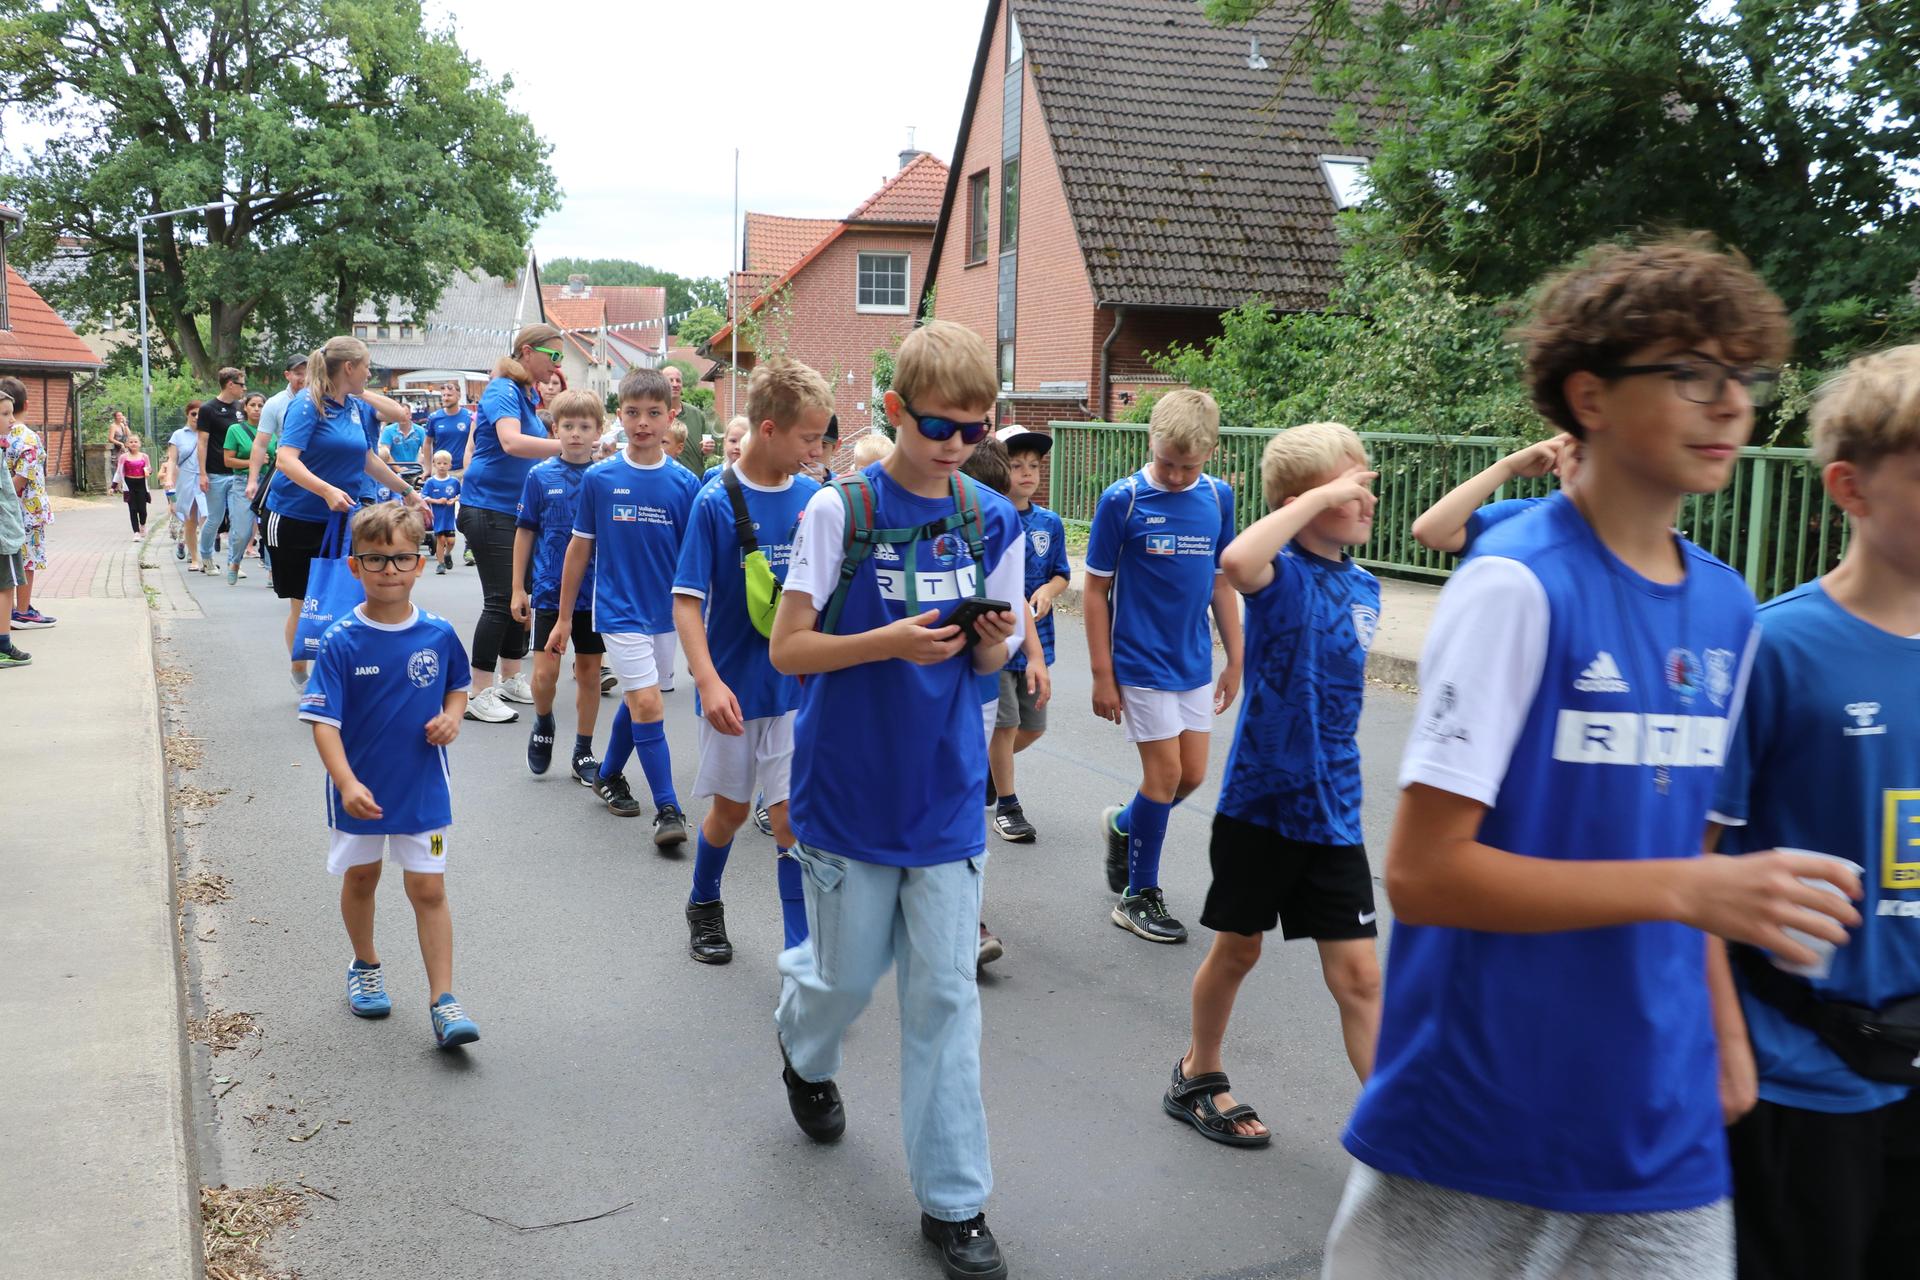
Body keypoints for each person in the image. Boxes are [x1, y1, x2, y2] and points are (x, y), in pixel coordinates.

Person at [1323, 237, 1864, 1278]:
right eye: (1693, 375)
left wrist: (1727, 1034)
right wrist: (1692, 884)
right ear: (1591, 396)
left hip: (1660, 1127)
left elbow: (1694, 866)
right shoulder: (1515, 583)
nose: (1732, 405)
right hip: (1480, 1116)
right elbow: (1425, 872)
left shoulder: (1727, 603)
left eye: (1745, 378)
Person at [769, 319, 1023, 1280]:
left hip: (948, 795)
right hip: (848, 791)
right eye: (937, 426)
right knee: (843, 980)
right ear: (892, 411)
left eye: (974, 428)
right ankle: (803, 1045)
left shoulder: (988, 516)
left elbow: (996, 658)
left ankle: (955, 1204)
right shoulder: (841, 512)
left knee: (947, 999)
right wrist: (892, 641)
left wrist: (992, 639)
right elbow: (793, 650)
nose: (956, 444)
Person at [1706, 343, 1920, 1280]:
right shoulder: (1777, 648)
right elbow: (1692, 873)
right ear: (1851, 488)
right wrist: (1723, 1048)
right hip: (1805, 1073)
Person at [1165, 421, 1384, 1150]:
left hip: (1336, 809)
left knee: (1359, 978)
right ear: (1306, 499)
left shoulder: (1365, 585)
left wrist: (1335, 490)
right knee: (1239, 949)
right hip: (1261, 803)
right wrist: (1316, 495)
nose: (1367, 498)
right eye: (1353, 488)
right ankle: (1199, 1071)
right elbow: (1235, 557)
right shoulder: (1278, 572)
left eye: (1366, 485)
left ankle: (1398, 1133)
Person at [298, 502, 479, 1049]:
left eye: (401, 558)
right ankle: (365, 964)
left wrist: (452, 716)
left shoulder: (440, 633)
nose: (390, 571)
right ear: (355, 567)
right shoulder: (340, 640)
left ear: (420, 562)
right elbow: (323, 723)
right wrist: (347, 783)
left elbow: (458, 685)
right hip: (360, 790)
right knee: (362, 879)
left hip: (423, 788)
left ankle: (444, 1000)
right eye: (375, 561)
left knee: (427, 888)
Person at [671, 359, 831, 964]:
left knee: (791, 822)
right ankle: (704, 899)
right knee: (732, 812)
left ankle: (801, 952)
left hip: (797, 692)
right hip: (734, 690)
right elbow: (687, 601)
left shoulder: (816, 499)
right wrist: (707, 681)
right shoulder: (716, 501)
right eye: (808, 438)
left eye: (821, 439)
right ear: (769, 430)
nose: (817, 451)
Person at [1085, 388, 1244, 943]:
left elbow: (1222, 582)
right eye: (1167, 463)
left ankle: (1125, 824)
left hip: (1194, 662)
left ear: (1211, 454)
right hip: (1139, 661)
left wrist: (1235, 659)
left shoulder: (1217, 497)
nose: (1176, 476)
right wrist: (1103, 674)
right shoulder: (1122, 500)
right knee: (1165, 776)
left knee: (1192, 775)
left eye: (1188, 466)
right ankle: (1138, 896)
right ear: (1150, 442)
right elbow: (1094, 589)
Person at [552, 367, 699, 847]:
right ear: (620, 416)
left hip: (667, 613)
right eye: (633, 413)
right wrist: (563, 616)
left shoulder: (685, 484)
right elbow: (579, 549)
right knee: (649, 701)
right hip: (616, 609)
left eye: (654, 413)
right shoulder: (599, 478)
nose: (642, 423)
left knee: (641, 698)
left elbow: (696, 560)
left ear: (669, 416)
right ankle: (669, 810)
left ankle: (609, 773)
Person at [264, 336, 427, 688]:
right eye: (367, 366)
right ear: (350, 368)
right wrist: (324, 489)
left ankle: (337, 670)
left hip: (339, 519)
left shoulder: (352, 406)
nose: (370, 372)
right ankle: (300, 671)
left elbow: (366, 459)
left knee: (344, 595)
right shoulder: (308, 404)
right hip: (294, 516)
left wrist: (409, 492)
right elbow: (285, 459)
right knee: (305, 601)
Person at [958, 432, 1050, 970]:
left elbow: (1013, 602)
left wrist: (1030, 654)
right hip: (908, 695)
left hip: (978, 690)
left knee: (966, 802)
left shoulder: (1001, 529)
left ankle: (966, 918)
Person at [459, 324, 567, 724]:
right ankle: (478, 690)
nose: (558, 365)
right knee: (502, 598)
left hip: (515, 510)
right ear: (527, 351)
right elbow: (511, 442)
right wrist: (568, 446)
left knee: (520, 598)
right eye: (553, 356)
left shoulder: (525, 392)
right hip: (488, 507)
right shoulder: (503, 388)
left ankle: (509, 676)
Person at [511, 390, 605, 787]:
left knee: (588, 672)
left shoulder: (605, 477)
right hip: (549, 590)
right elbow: (525, 531)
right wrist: (518, 587)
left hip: (595, 593)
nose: (576, 434)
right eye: (568, 426)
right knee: (545, 673)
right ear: (555, 429)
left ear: (598, 431)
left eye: (585, 426)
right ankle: (544, 718)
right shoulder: (540, 475)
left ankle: (583, 748)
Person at [987, 425, 1070, 843]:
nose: (1026, 473)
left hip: (1040, 639)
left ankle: (990, 771)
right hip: (998, 639)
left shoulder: (1048, 522)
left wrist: (1049, 591)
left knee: (1032, 726)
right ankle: (1007, 804)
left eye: (1033, 466)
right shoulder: (989, 517)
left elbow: (1062, 574)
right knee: (1005, 724)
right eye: (1016, 464)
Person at [1410, 433, 1582, 555]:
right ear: (1558, 463)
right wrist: (1508, 467)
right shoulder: (1527, 516)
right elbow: (1431, 532)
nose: (1594, 469)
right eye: (1581, 456)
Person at [0, 378, 55, 631]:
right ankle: (22, 610)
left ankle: (10, 610)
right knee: (28, 561)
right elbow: (22, 477)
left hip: (9, 511)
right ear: (27, 404)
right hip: (28, 510)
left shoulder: (5, 434)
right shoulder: (28, 437)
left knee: (11, 561)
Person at [197, 367, 249, 575]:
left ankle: (233, 563)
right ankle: (207, 557)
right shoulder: (208, 409)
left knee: (239, 519)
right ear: (230, 384)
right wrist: (202, 473)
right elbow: (202, 443)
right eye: (241, 384)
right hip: (216, 473)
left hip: (237, 473)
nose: (244, 388)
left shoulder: (240, 408)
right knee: (215, 518)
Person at [0, 389, 32, 669]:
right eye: (5, 414)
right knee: (5, 588)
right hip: (3, 535)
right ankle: (2, 646)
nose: (12, 420)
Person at [168, 401, 207, 569]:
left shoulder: (206, 434)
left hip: (205, 479)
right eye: (194, 414)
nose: (197, 417)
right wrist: (169, 478)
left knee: (206, 517)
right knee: (190, 520)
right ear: (187, 414)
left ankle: (207, 555)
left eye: (200, 414)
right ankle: (194, 558)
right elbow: (172, 459)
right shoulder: (178, 435)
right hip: (186, 479)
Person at [421, 452, 461, 574]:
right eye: (439, 463)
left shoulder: (454, 481)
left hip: (449, 517)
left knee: (451, 541)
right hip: (437, 517)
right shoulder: (431, 482)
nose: (442, 466)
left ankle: (447, 554)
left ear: (450, 465)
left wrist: (453, 500)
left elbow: (460, 494)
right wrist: (437, 501)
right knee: (441, 540)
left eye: (445, 463)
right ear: (434, 464)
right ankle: (441, 564)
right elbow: (424, 497)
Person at [119, 434, 152, 540]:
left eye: (135, 442)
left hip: (141, 483)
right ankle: (136, 532)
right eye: (131, 442)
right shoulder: (123, 457)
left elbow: (149, 469)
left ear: (139, 444)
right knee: (132, 509)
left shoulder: (144, 456)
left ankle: (142, 524)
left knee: (142, 509)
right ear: (127, 444)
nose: (133, 444)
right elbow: (118, 472)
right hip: (129, 484)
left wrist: (148, 471)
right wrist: (113, 486)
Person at [700, 415, 751, 482]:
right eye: (733, 441)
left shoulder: (756, 477)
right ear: (725, 442)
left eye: (743, 442)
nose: (737, 447)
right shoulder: (712, 474)